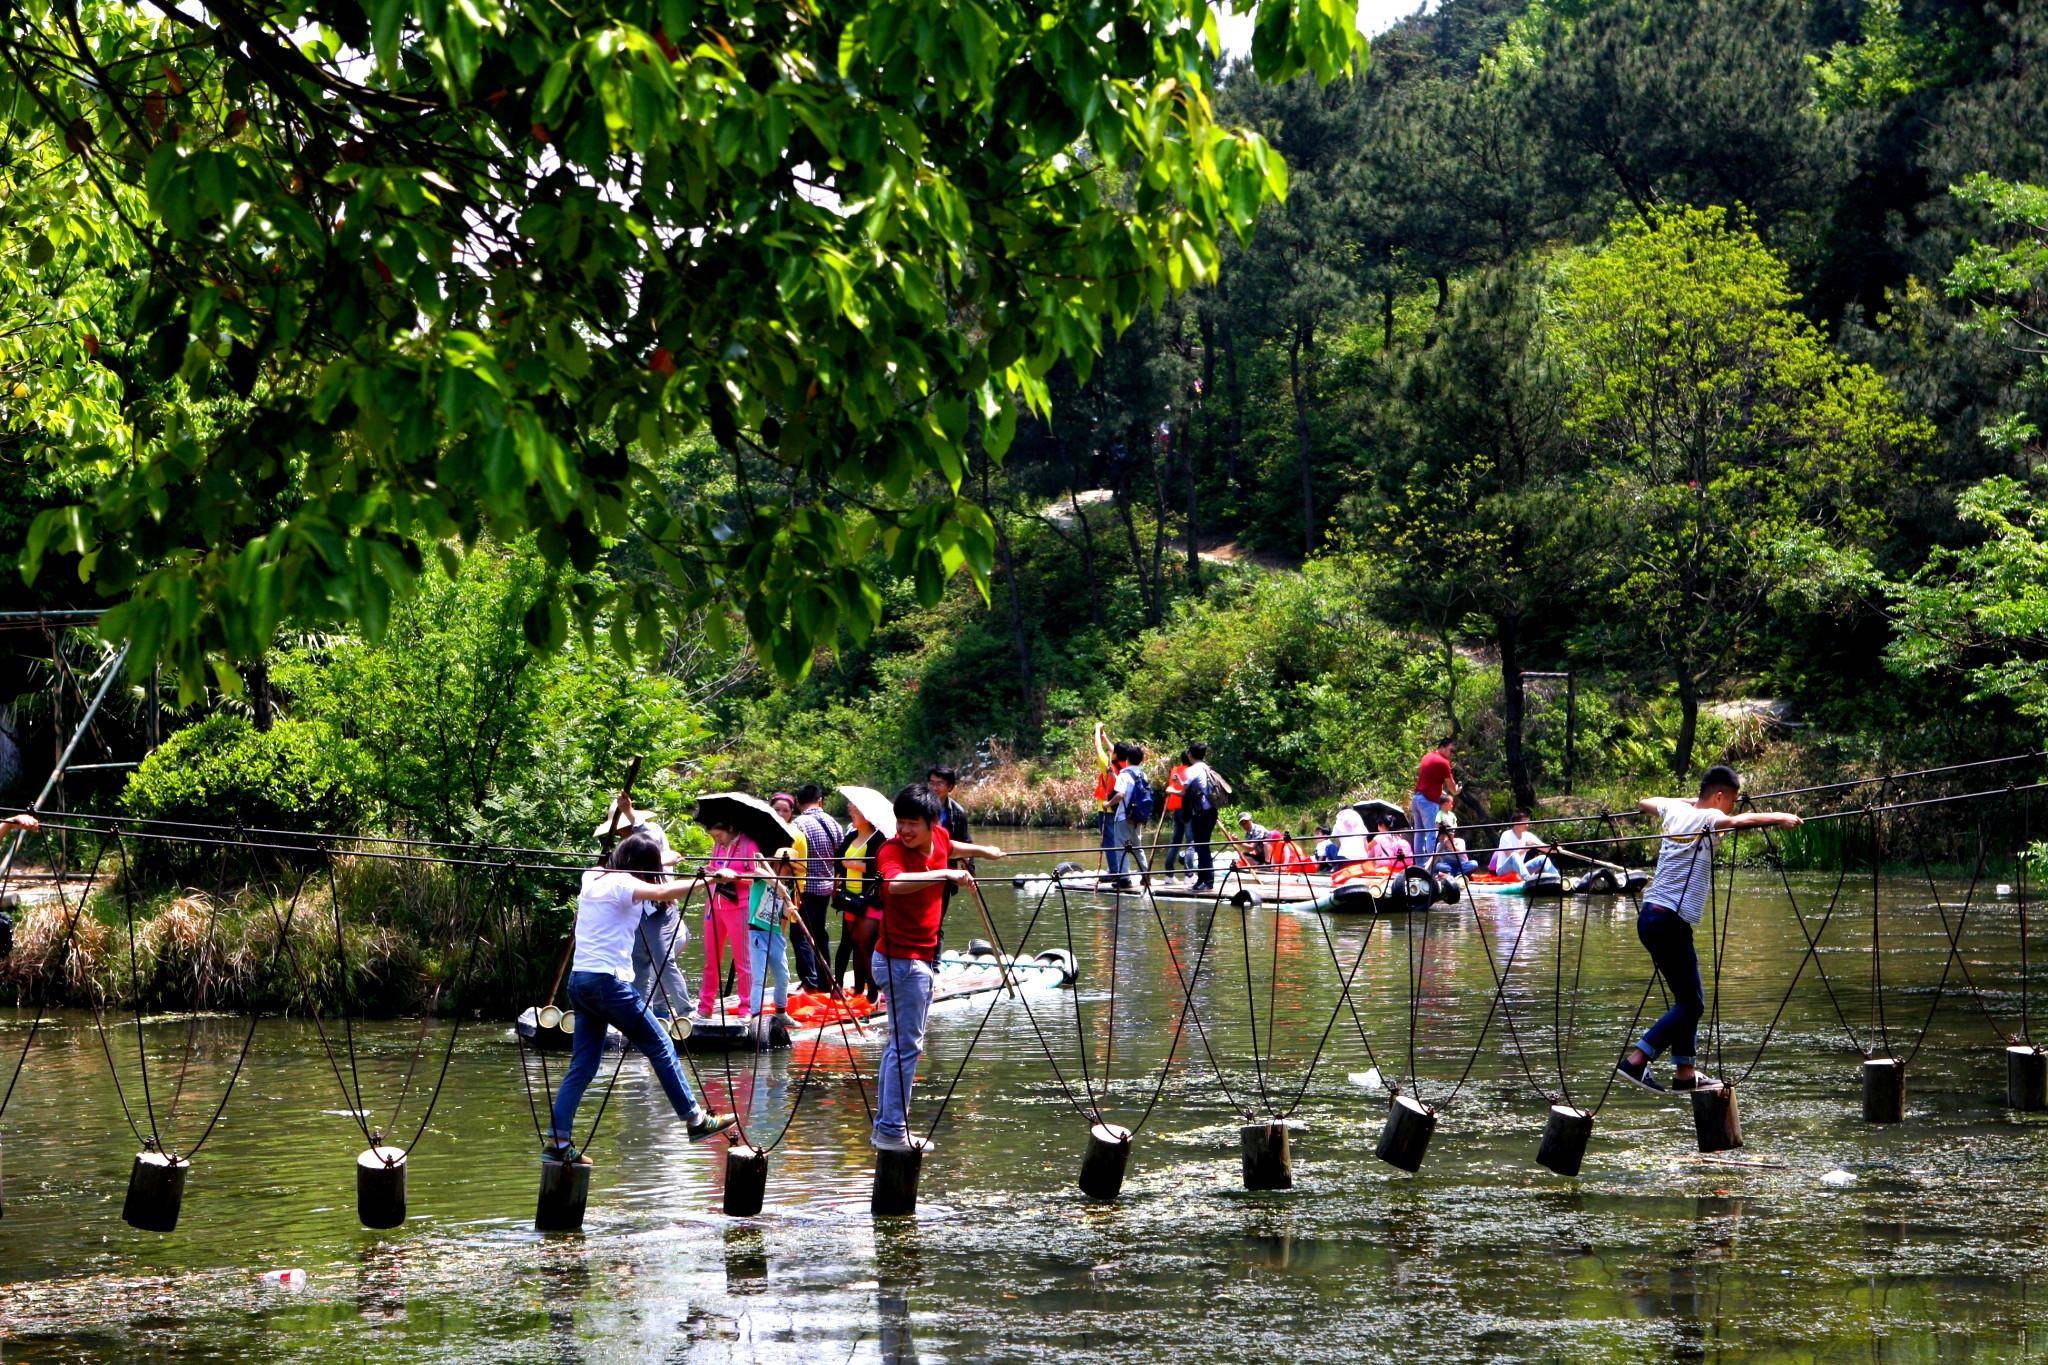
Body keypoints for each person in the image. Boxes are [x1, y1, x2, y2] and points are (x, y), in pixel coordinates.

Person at [546, 831, 736, 1161]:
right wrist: (710, 880)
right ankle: (695, 1120)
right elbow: (662, 890)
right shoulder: (624, 886)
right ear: (640, 868)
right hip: (609, 985)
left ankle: (558, 1144)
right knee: (660, 1045)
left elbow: (637, 871)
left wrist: (663, 859)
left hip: (580, 982)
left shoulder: (592, 876)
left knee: (583, 1065)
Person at [1615, 766, 1801, 1094]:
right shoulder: (1707, 818)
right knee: (1693, 1005)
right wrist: (1781, 816)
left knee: (1688, 999)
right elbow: (1740, 822)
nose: (1730, 809)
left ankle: (1685, 1073)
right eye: (1729, 801)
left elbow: (1646, 801)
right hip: (1670, 921)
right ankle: (1636, 1061)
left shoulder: (1677, 810)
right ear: (1717, 797)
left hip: (1651, 918)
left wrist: (1694, 801)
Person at [872, 784, 1006, 1153]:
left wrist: (985, 851)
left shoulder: (942, 836)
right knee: (906, 1048)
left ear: (933, 823)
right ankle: (891, 1131)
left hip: (920, 959)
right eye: (901, 823)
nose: (905, 831)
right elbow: (894, 883)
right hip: (901, 962)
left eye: (913, 823)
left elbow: (951, 848)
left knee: (899, 1047)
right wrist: (944, 875)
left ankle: (888, 1127)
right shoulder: (891, 850)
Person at [596, 795, 693, 1020]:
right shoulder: (622, 851)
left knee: (662, 960)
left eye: (625, 828)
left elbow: (650, 840)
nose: (622, 833)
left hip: (660, 908)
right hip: (636, 911)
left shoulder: (651, 834)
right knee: (637, 962)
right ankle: (638, 1012)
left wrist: (629, 812)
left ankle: (686, 1013)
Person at [696, 820, 756, 1019]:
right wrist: (709, 871)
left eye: (719, 836)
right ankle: (705, 1007)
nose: (717, 840)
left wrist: (735, 876)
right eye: (714, 837)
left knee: (743, 960)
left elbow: (756, 877)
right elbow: (714, 868)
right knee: (710, 959)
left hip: (739, 906)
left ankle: (746, 1007)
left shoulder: (748, 845)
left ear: (731, 828)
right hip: (714, 904)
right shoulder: (718, 846)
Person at [790, 784, 843, 992]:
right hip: (826, 886)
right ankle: (825, 981)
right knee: (820, 933)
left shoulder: (798, 824)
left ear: (797, 801)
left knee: (799, 933)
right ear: (820, 800)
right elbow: (840, 855)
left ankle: (809, 981)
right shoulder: (833, 823)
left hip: (805, 887)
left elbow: (794, 857)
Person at [747, 847, 801, 1032]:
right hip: (757, 930)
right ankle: (755, 1015)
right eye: (787, 868)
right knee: (759, 977)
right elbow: (756, 870)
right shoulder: (763, 876)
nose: (789, 872)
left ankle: (781, 1011)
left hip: (775, 933)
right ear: (778, 864)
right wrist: (778, 885)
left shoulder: (789, 886)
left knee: (783, 975)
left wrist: (791, 909)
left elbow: (785, 915)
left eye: (791, 869)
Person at [834, 809, 884, 998]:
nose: (851, 815)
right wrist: (846, 864)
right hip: (849, 897)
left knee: (866, 947)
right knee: (847, 943)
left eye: (856, 812)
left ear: (867, 816)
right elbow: (839, 861)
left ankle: (872, 991)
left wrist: (853, 864)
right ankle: (848, 987)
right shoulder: (852, 835)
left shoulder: (879, 839)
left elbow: (877, 867)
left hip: (869, 898)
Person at [1181, 742, 1232, 891]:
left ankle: (1207, 881)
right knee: (1203, 845)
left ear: (1190, 755)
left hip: (1201, 813)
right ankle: (1203, 880)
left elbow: (1185, 791)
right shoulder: (1206, 767)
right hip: (1211, 811)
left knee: (1201, 846)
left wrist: (1173, 790)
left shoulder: (1192, 770)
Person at [1104, 742, 1153, 890]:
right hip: (1138, 816)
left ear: (1127, 759)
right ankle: (1145, 876)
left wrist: (1107, 804)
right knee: (1137, 847)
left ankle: (1124, 879)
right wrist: (1114, 775)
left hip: (1124, 816)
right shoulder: (1142, 774)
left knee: (1121, 848)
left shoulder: (1125, 774)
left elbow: (1121, 794)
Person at [1412, 737, 1459, 872]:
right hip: (1428, 801)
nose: (1451, 754)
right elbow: (1452, 788)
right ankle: (1431, 867)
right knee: (1432, 834)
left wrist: (1440, 791)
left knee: (1419, 833)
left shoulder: (1427, 756)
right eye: (1451, 750)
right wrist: (1457, 790)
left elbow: (1430, 781)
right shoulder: (1443, 762)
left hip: (1417, 798)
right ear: (1443, 747)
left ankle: (1420, 865)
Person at [1491, 811, 1558, 880]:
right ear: (1516, 823)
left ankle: (1557, 878)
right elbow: (1510, 857)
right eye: (1525, 823)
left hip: (1520, 870)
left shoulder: (1528, 835)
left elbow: (1545, 848)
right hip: (1503, 871)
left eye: (1528, 823)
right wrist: (1526, 849)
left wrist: (1556, 848)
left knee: (1543, 858)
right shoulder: (1506, 835)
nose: (1527, 825)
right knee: (1514, 855)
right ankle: (1528, 879)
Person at [1163, 752, 1191, 873]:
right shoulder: (1191, 771)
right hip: (1187, 809)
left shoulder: (1175, 770)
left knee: (1175, 841)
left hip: (1177, 810)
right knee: (1191, 842)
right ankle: (1189, 874)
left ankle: (1169, 873)